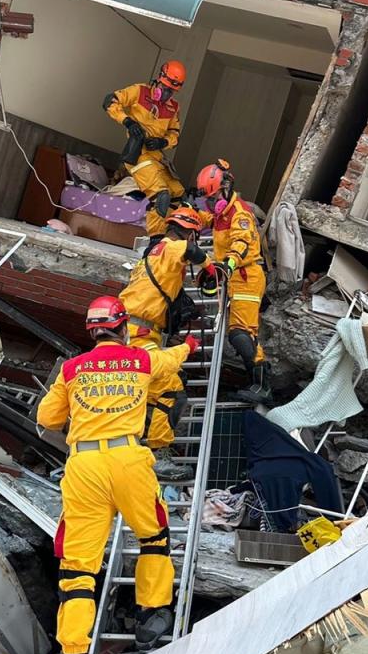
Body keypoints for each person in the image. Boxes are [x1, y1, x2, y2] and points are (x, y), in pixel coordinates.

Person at [36, 295, 198, 654]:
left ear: (92, 331)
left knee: (77, 568)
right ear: (123, 327)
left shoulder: (72, 369)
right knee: (154, 537)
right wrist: (192, 345)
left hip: (85, 466)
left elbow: (47, 420)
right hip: (129, 459)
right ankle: (152, 619)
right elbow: (171, 360)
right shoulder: (141, 360)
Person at [119, 205, 217, 476]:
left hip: (135, 331)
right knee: (171, 389)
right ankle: (157, 453)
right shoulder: (173, 246)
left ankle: (137, 445)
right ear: (189, 234)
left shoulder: (154, 252)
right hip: (140, 334)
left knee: (151, 390)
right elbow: (191, 252)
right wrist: (210, 269)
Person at [195, 158, 272, 405]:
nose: (211, 203)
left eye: (214, 197)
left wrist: (226, 266)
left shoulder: (240, 214)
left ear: (226, 188)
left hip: (246, 276)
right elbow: (205, 219)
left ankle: (263, 385)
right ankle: (256, 382)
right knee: (241, 333)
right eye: (208, 199)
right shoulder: (221, 213)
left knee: (241, 334)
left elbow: (241, 242)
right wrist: (185, 214)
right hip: (235, 278)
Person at [103, 60, 187, 236]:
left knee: (177, 192)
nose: (165, 94)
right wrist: (127, 121)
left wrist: (163, 143)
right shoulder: (140, 91)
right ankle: (155, 239)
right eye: (164, 88)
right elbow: (109, 101)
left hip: (156, 156)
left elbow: (174, 135)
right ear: (159, 79)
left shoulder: (174, 108)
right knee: (161, 195)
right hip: (138, 154)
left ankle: (168, 234)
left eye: (170, 91)